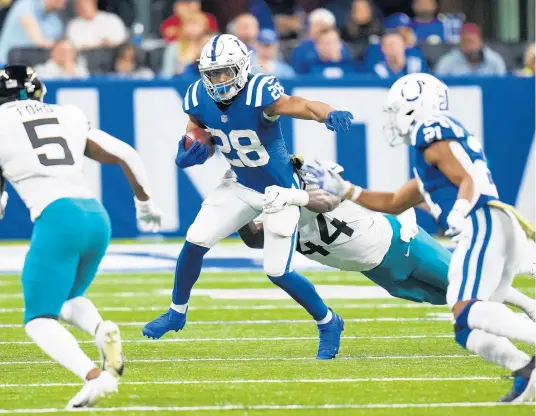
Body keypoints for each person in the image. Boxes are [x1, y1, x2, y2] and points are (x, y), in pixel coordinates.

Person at [302, 73, 536, 402]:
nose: (393, 117)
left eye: (397, 108)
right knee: (465, 329)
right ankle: (525, 373)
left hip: (483, 223)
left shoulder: (431, 130)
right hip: (488, 225)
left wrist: (458, 211)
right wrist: (345, 190)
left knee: (467, 311)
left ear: (415, 106)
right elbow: (396, 201)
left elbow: (466, 179)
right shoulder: (430, 154)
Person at [142, 34, 354, 360]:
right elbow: (199, 130)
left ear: (241, 68)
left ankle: (328, 321)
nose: (218, 80)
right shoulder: (198, 95)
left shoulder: (260, 91)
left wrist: (328, 113)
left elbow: (300, 104)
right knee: (195, 239)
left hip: (280, 191)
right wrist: (190, 147)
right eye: (213, 74)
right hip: (239, 184)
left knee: (277, 272)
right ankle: (176, 311)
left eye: (225, 72)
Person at [0, 65, 162, 407]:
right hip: (95, 215)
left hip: (57, 217)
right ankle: (102, 330)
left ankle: (95, 377)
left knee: (38, 320)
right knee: (70, 298)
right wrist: (145, 205)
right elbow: (126, 154)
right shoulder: (68, 114)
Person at [241, 159, 536, 319]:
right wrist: (242, 207)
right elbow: (255, 240)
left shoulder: (314, 180)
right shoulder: (276, 213)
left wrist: (295, 196)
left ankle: (526, 300)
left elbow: (328, 201)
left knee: (462, 285)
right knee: (452, 296)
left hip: (399, 244)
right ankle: (515, 277)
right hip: (377, 270)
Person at [0, 0, 65, 65]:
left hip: (33, 66)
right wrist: (59, 46)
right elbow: (38, 41)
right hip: (5, 64)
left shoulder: (55, 20)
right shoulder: (26, 4)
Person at [291, 8, 351, 74]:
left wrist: (336, 59)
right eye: (317, 25)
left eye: (333, 42)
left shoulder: (345, 51)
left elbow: (353, 73)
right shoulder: (302, 50)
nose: (320, 29)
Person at [363, 13, 427, 73]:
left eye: (409, 30)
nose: (409, 34)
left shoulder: (414, 51)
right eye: (403, 32)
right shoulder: (376, 50)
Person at [435, 23, 506, 75]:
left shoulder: (495, 60)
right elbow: (438, 88)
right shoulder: (447, 61)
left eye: (473, 41)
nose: (470, 46)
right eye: (466, 42)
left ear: (480, 42)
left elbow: (503, 86)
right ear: (460, 43)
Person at [161, 12, 208, 78]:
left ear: (205, 26)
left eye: (196, 24)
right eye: (190, 24)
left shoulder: (210, 46)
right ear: (183, 26)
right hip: (179, 83)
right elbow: (167, 73)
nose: (193, 28)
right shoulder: (173, 47)